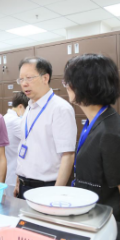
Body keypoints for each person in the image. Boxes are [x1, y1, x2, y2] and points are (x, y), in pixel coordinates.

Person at [63, 54, 120, 221]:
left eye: (68, 82)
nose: (66, 86)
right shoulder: (95, 123)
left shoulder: (111, 132)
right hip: (92, 216)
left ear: (83, 85)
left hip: (108, 223)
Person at [14, 57, 77, 199]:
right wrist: (18, 179)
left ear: (45, 78)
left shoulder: (60, 109)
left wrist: (56, 194)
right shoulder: (29, 108)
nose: (24, 84)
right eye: (21, 79)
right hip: (24, 185)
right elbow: (25, 145)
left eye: (29, 78)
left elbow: (68, 155)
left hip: (47, 188)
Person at [3, 92, 28, 188]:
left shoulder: (5, 118)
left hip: (8, 172)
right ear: (21, 107)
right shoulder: (16, 122)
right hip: (13, 175)